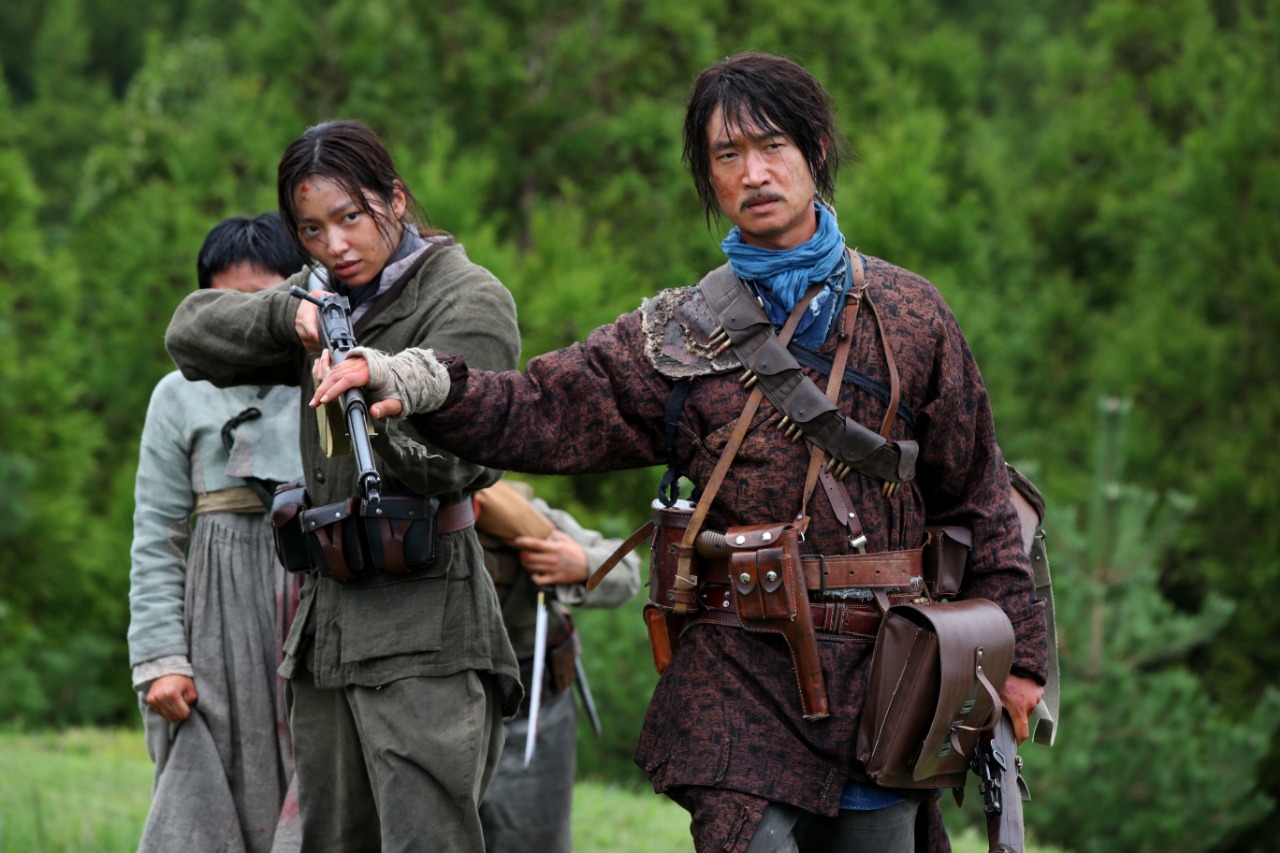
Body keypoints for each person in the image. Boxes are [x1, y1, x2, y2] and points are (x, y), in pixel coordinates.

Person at [312, 53, 1048, 853]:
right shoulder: (677, 334)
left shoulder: (910, 314)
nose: (753, 173)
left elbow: (977, 494)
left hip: (890, 672)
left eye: (772, 146)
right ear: (707, 175)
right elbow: (539, 409)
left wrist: (1023, 661)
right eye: (727, 155)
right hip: (741, 673)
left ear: (816, 152)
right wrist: (415, 379)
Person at [164, 120, 523, 852]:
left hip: (429, 623)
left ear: (396, 199)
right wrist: (288, 314)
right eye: (312, 230)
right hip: (328, 625)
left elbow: (465, 458)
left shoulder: (467, 296)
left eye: (351, 217)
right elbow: (188, 334)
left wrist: (381, 391)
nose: (335, 245)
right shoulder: (323, 297)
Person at [128, 212, 310, 853]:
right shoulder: (176, 394)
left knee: (326, 781)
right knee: (213, 793)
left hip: (317, 597)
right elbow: (156, 534)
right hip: (215, 618)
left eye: (264, 299)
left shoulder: (330, 376)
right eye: (228, 303)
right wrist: (161, 661)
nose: (246, 319)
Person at [472, 480, 641, 852]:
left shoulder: (515, 514)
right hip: (430, 711)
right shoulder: (390, 516)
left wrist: (581, 563)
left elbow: (626, 568)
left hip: (532, 714)